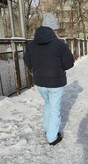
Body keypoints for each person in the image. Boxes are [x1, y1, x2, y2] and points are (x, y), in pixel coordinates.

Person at [23, 13, 74, 146]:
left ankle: (47, 128)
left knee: (48, 104)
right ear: (53, 29)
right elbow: (69, 63)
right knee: (55, 108)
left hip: (39, 83)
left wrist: (38, 69)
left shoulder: (31, 44)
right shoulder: (59, 44)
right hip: (56, 83)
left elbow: (27, 61)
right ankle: (52, 137)